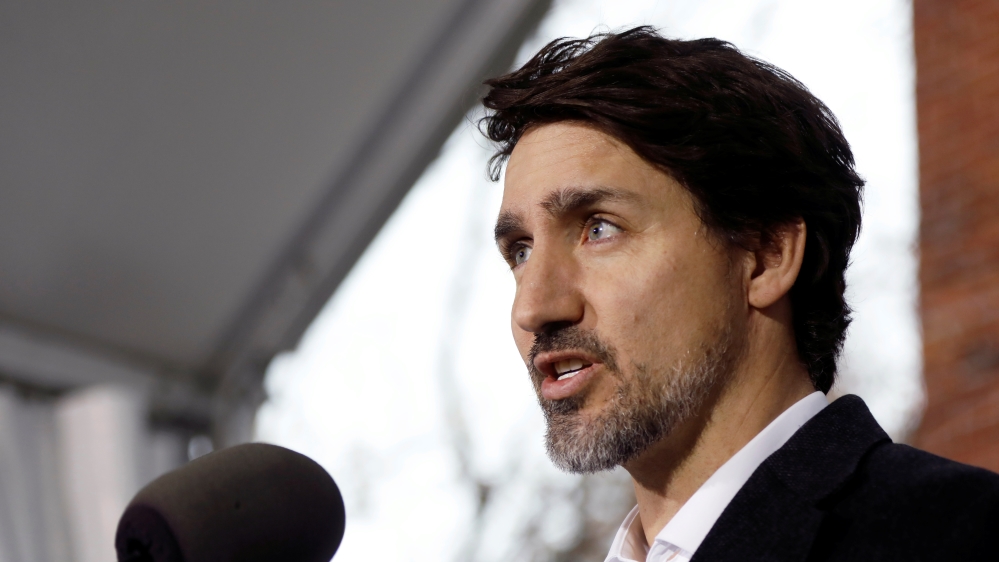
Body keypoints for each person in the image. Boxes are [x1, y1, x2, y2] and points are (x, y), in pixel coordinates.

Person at [481, 27, 999, 561]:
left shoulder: (955, 534)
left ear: (766, 255)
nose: (534, 307)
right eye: (520, 251)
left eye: (600, 228)